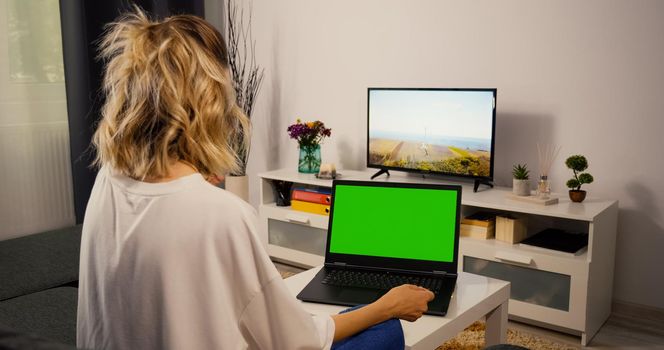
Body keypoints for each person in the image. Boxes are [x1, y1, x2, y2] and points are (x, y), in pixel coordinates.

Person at [77, 8, 434, 350]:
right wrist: (388, 305)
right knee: (383, 328)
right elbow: (297, 342)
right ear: (211, 99)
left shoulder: (109, 179)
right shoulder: (221, 215)